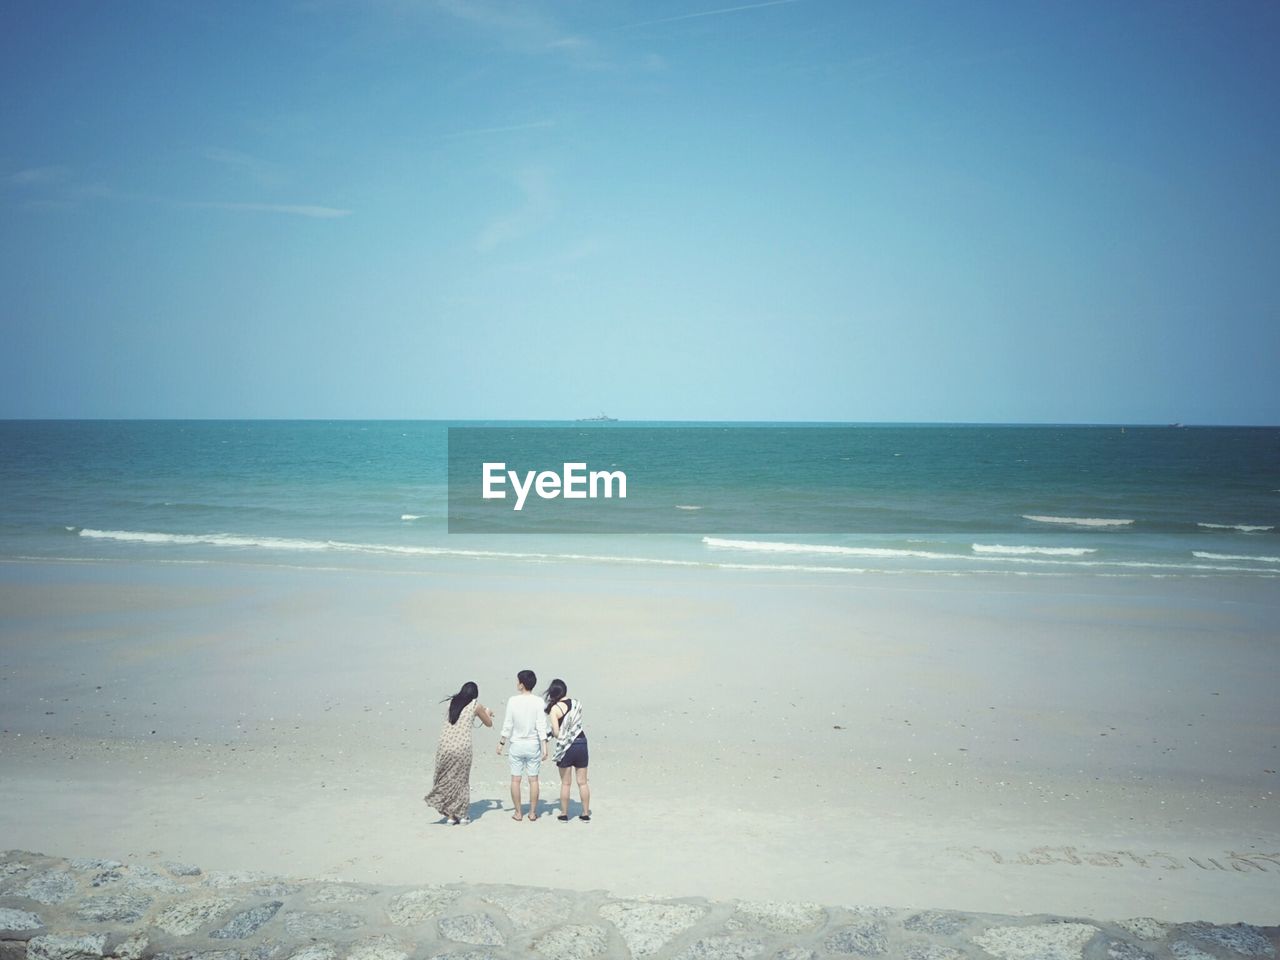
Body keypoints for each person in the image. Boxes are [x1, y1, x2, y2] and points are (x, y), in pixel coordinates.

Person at [424, 681, 493, 825]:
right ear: (475, 695)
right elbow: (488, 723)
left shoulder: (451, 703)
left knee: (446, 779)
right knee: (461, 780)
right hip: (462, 747)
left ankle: (450, 816)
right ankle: (462, 815)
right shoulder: (475, 705)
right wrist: (488, 712)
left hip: (445, 746)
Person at [496, 669, 549, 821]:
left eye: (518, 681)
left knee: (515, 780)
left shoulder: (513, 701)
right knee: (533, 780)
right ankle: (532, 813)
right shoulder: (539, 701)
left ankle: (518, 812)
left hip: (517, 744)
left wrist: (501, 743)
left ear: (522, 684)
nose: (516, 683)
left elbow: (508, 724)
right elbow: (541, 725)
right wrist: (544, 746)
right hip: (533, 745)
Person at [545, 677, 591, 822]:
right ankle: (585, 813)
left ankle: (564, 813)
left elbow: (558, 733)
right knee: (582, 782)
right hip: (581, 742)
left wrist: (551, 733)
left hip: (566, 747)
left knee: (566, 783)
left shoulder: (554, 709)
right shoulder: (577, 704)